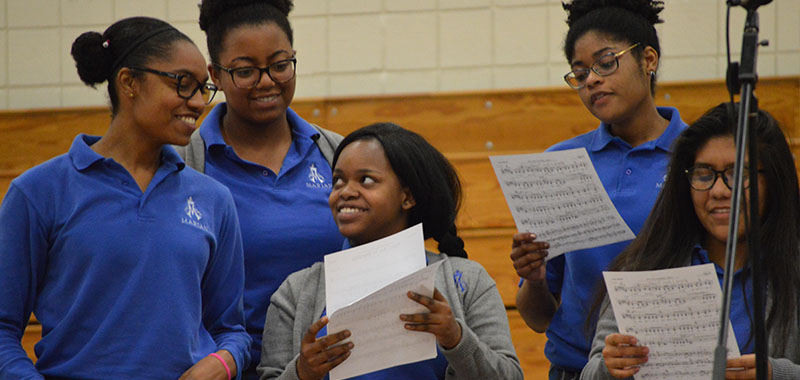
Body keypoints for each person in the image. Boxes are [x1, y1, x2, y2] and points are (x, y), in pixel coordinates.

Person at [0, 17, 250, 380]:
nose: (198, 102)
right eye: (183, 84)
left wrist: (220, 365)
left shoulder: (214, 199)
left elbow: (233, 332)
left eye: (204, 89)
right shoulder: (39, 191)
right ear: (129, 82)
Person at [258, 123, 523, 380]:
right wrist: (302, 373)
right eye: (338, 180)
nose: (346, 192)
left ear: (407, 197)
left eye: (366, 180)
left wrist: (456, 338)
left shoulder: (467, 280)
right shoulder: (296, 291)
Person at [509, 0, 689, 378]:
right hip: (576, 370)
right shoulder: (559, 163)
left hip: (673, 367)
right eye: (579, 73)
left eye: (606, 63)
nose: (591, 80)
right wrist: (537, 278)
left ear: (649, 60)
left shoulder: (697, 155)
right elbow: (538, 318)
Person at [179, 2, 344, 376]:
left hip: (339, 366)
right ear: (215, 75)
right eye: (245, 71)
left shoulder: (337, 153)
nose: (267, 81)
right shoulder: (184, 164)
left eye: (280, 64)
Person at [581, 103, 800, 380]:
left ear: (773, 181)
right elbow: (591, 372)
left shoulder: (792, 269)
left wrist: (778, 374)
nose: (719, 190)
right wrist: (610, 368)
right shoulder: (645, 268)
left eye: (738, 175)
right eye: (704, 174)